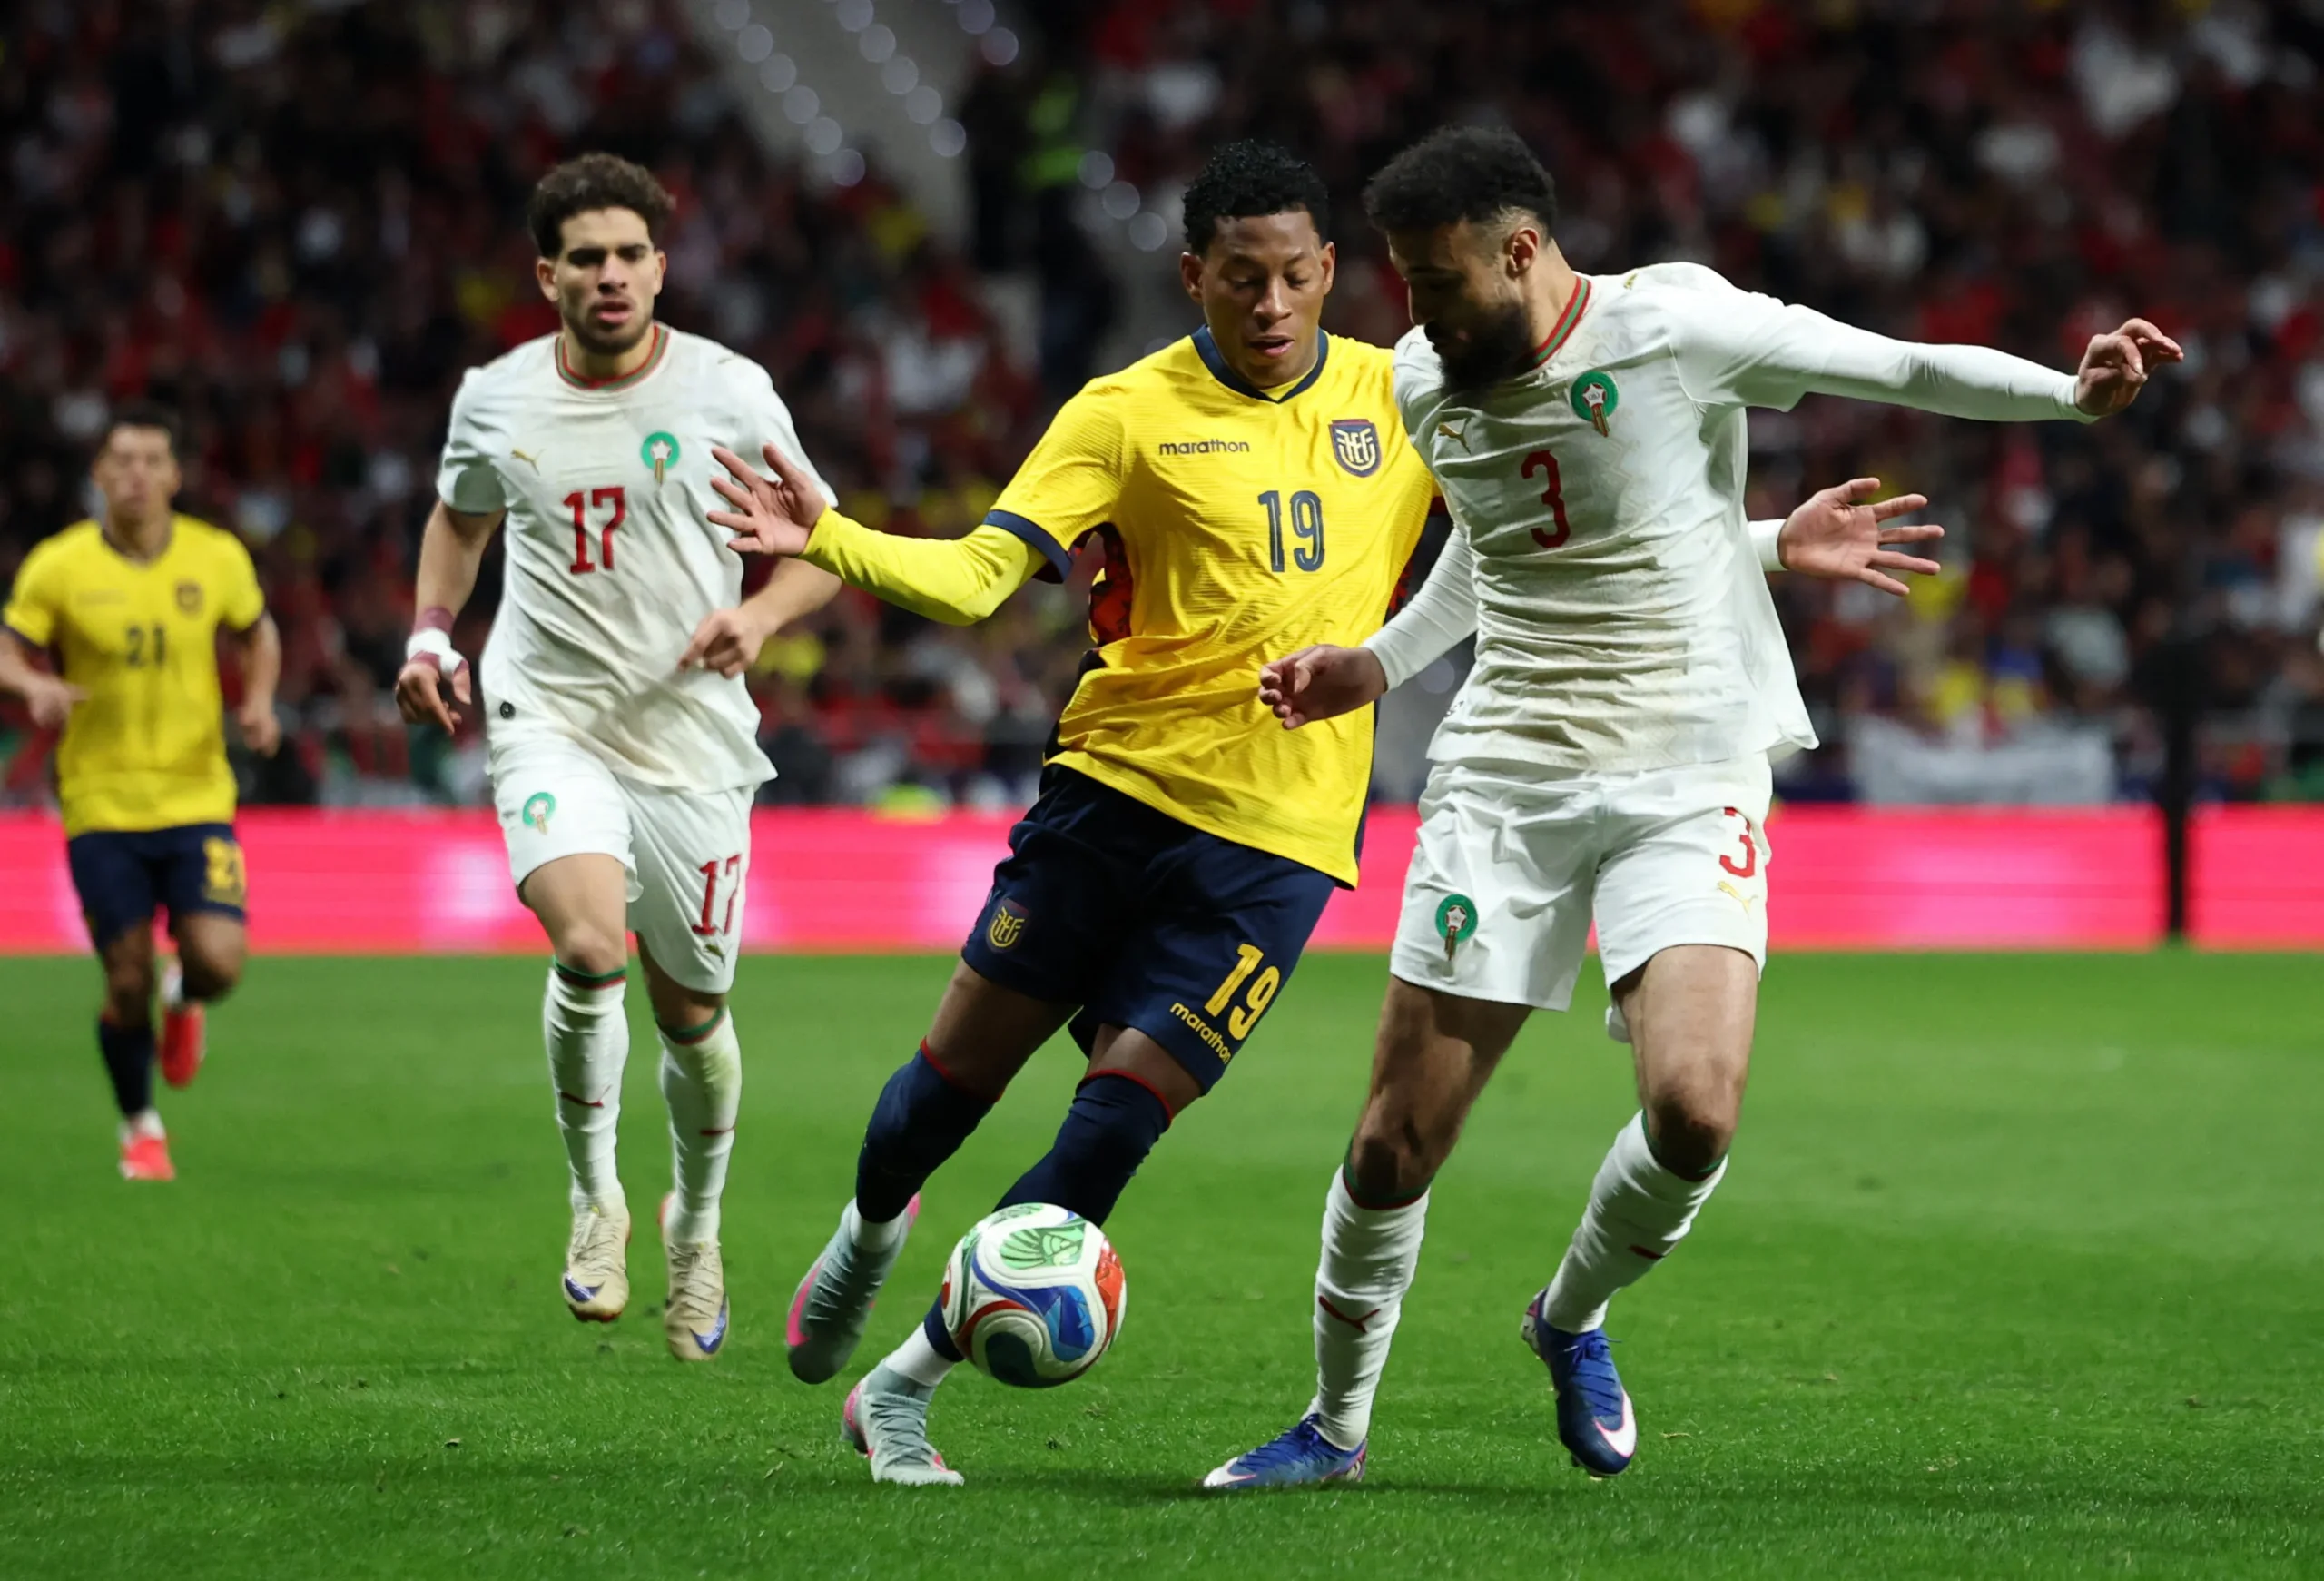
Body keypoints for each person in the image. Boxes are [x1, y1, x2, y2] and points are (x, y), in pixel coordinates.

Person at [709, 141, 1906, 1487]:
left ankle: (907, 1384)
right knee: (944, 1092)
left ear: (1334, 271)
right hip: (1110, 794)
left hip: (1276, 846)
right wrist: (835, 536)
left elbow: (1544, 543)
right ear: (1192, 280)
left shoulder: (1406, 390)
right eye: (1240, 281)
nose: (1272, 305)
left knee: (1116, 1119)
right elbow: (984, 579)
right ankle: (872, 1233)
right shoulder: (1120, 411)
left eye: (1295, 277)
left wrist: (1761, 543)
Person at [1204, 126, 2180, 1490]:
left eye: (1436, 281)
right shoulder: (1432, 377)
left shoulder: (1678, 327)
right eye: (1405, 283)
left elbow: (1898, 366)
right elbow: (1500, 554)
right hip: (1509, 773)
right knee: (1392, 1139)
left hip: (1688, 764)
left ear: (1522, 251)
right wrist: (1377, 662)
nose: (1413, 315)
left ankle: (1569, 1316)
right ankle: (1335, 1424)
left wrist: (2069, 396)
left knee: (1695, 1110)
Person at [393, 153, 837, 1363]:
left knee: (693, 1007)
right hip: (551, 717)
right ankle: (599, 1200)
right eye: (584, 257)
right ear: (547, 275)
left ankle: (697, 1224)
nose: (609, 276)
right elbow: (461, 516)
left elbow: (823, 542)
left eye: (629, 255)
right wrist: (432, 633)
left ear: (660, 266)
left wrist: (758, 615)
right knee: (591, 945)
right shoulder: (494, 398)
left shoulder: (729, 392)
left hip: (691, 738)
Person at [0, 402, 281, 1181]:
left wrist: (258, 701)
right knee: (121, 976)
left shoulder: (216, 556)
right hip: (100, 802)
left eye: (152, 460)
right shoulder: (58, 565)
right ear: (97, 474)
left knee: (220, 963)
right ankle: (140, 1125)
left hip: (197, 797)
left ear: (175, 475)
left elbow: (259, 632)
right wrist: (32, 684)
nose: (135, 474)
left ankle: (184, 993)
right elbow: (9, 648)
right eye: (120, 460)